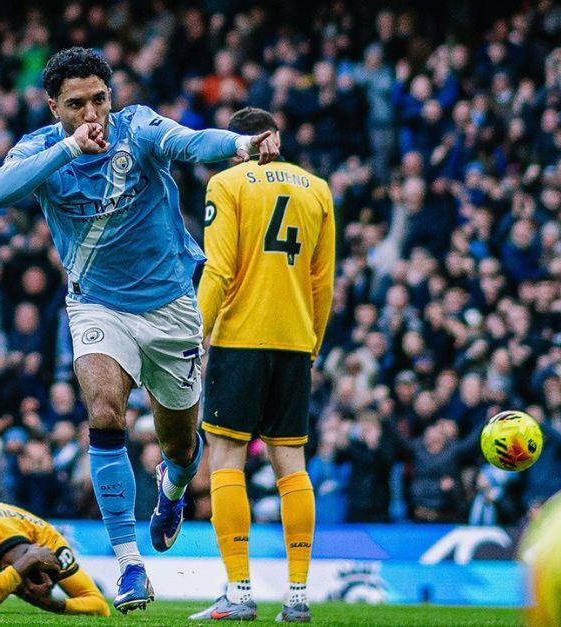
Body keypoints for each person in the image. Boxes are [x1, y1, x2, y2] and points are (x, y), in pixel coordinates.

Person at [0, 47, 278, 613]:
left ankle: (173, 487)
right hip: (96, 305)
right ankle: (129, 565)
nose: (92, 112)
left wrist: (239, 145)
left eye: (100, 99)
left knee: (180, 445)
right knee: (104, 412)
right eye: (76, 104)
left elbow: (191, 142)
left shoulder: (137, 128)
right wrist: (70, 147)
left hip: (170, 307)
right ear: (53, 106)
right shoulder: (42, 149)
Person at [189, 108, 335, 622]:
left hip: (241, 339)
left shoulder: (227, 184)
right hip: (295, 341)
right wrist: (312, 344)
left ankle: (240, 591)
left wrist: (195, 335)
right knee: (292, 466)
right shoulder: (318, 190)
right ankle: (297, 597)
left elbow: (219, 269)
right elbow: (323, 280)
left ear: (240, 142)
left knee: (227, 461)